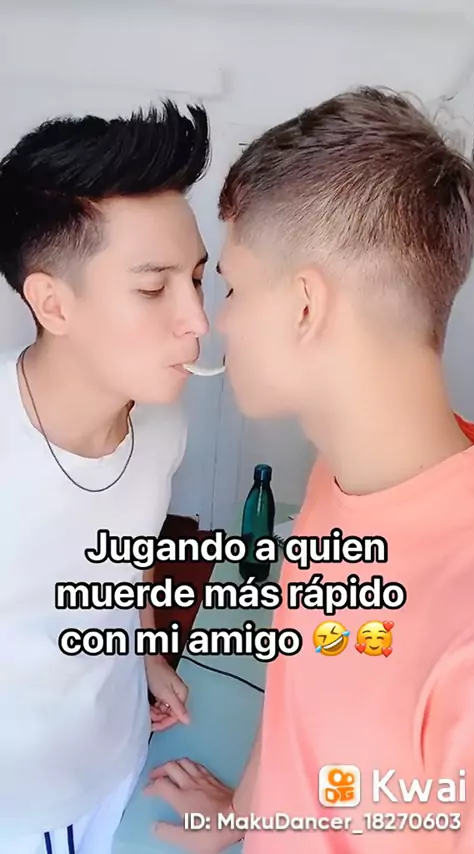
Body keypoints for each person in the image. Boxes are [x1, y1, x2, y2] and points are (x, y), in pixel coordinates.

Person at [147, 87, 474, 853]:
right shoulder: (345, 475)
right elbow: (305, 683)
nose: (213, 321)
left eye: (232, 286)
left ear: (304, 306)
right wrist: (246, 814)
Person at [0, 100, 211, 853]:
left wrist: (146, 651)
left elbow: (125, 555)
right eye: (154, 289)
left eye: (197, 279)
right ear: (53, 303)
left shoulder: (163, 425)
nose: (198, 320)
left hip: (123, 761)